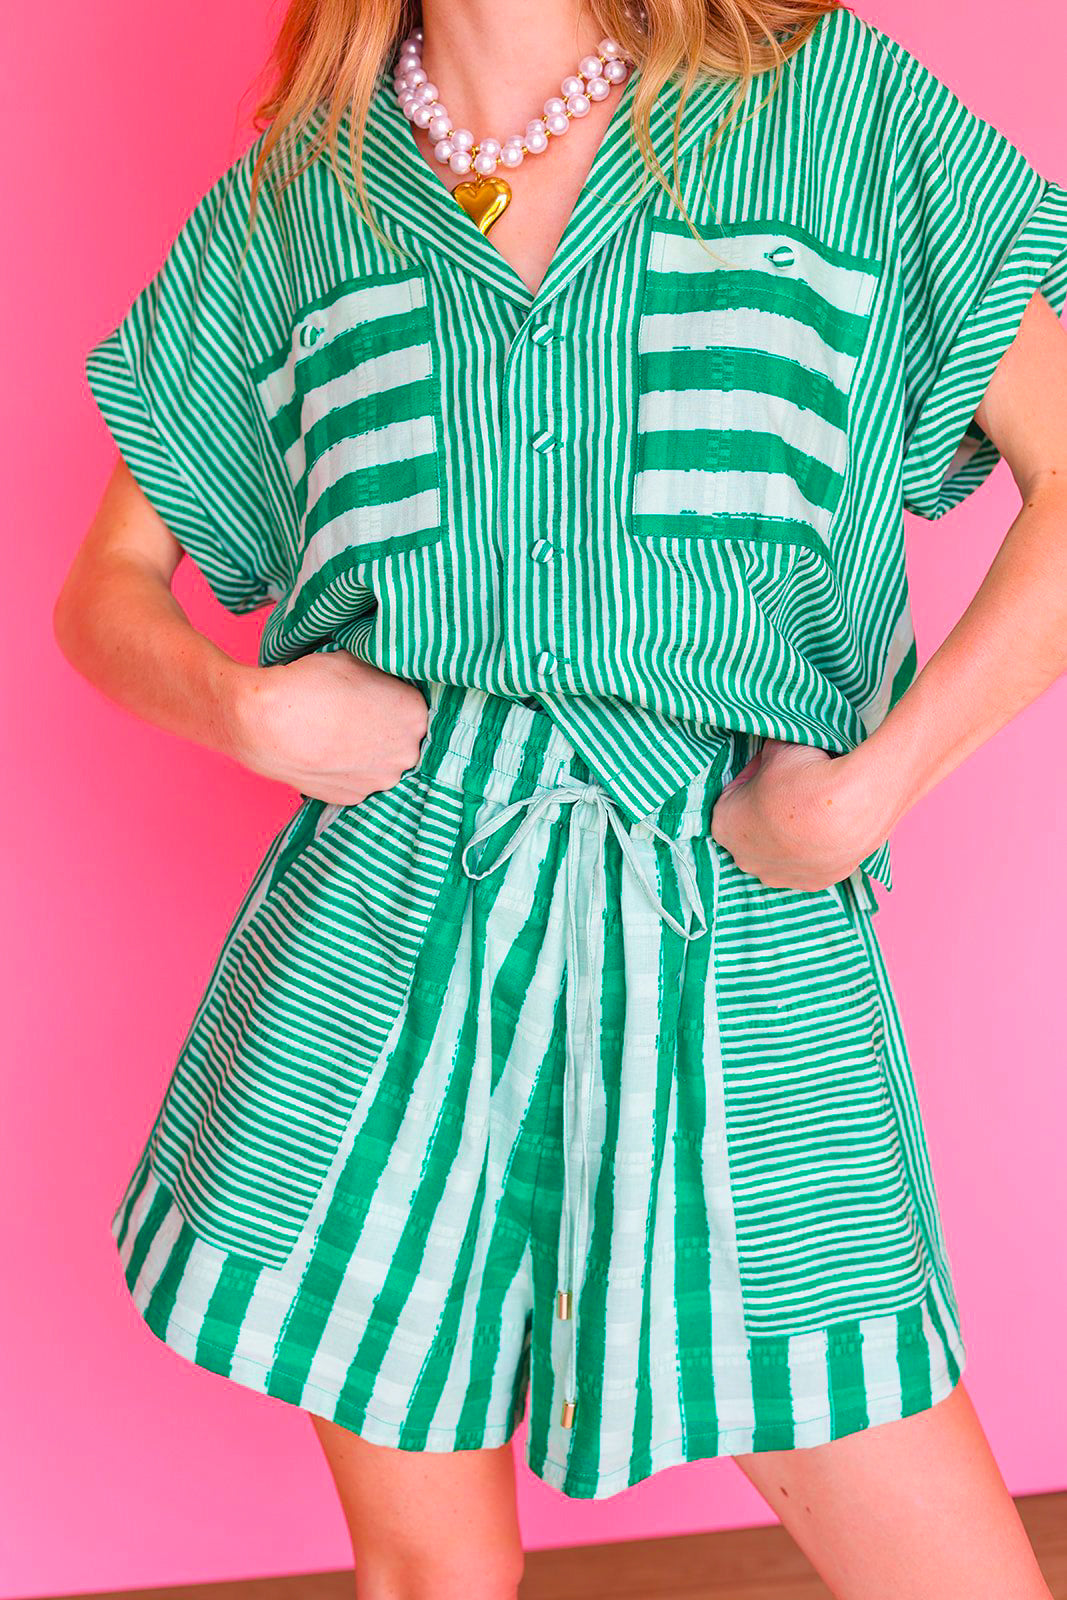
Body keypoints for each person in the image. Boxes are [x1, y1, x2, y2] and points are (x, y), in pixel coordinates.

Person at [57, 0, 1067, 1594]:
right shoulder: (302, 195)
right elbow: (102, 590)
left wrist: (870, 792)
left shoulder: (835, 107)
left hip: (733, 912)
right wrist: (247, 708)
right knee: (431, 1576)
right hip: (385, 938)